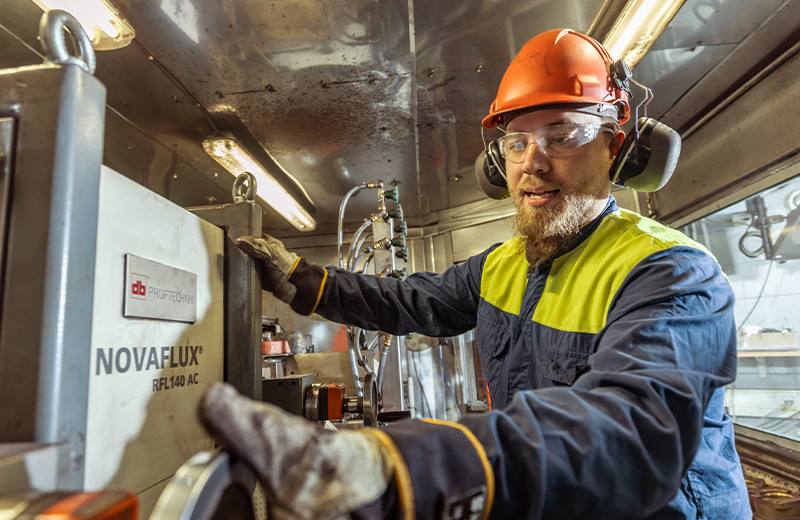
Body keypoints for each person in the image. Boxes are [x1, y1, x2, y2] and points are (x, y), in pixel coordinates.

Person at [199, 29, 751, 519]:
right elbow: (409, 301)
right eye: (516, 142)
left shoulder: (672, 273)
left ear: (615, 147)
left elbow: (630, 433)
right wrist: (302, 279)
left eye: (562, 136)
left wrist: (404, 469)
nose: (533, 162)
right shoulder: (502, 265)